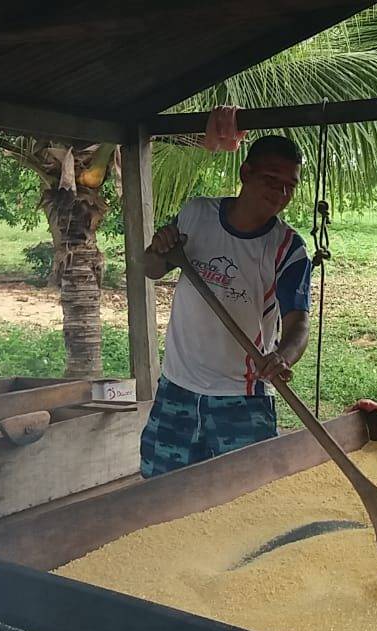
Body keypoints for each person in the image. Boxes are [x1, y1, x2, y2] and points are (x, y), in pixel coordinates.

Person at [141, 135, 312, 478]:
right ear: (246, 173)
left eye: (289, 186)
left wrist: (283, 356)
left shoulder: (287, 248)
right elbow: (152, 268)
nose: (280, 193)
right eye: (271, 179)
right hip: (177, 386)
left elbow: (299, 323)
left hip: (242, 396)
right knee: (160, 490)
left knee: (249, 496)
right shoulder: (196, 215)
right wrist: (158, 250)